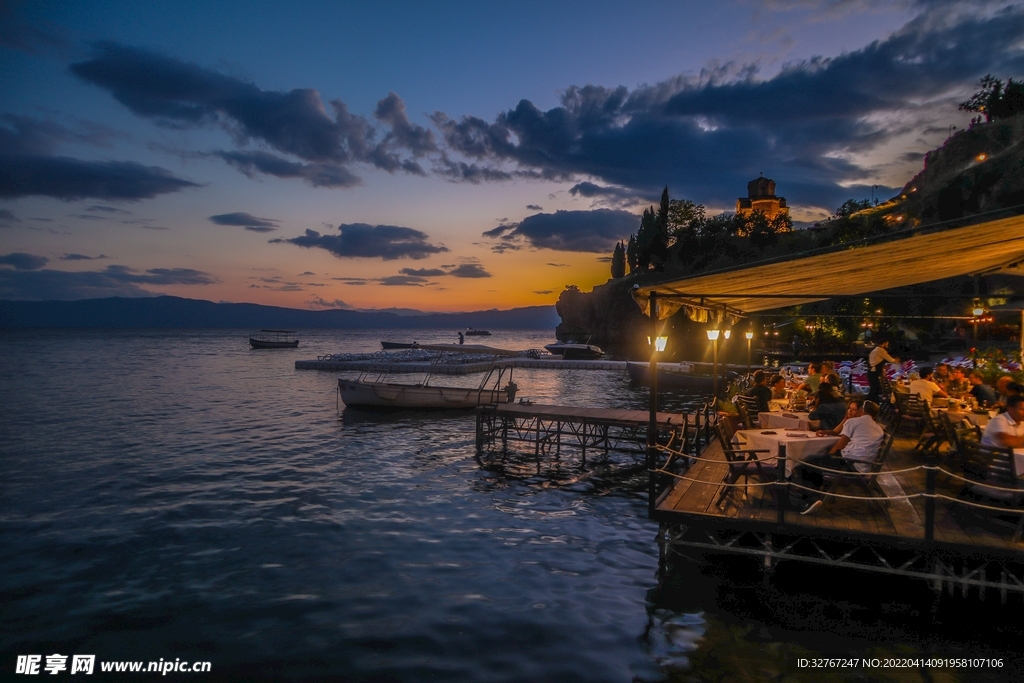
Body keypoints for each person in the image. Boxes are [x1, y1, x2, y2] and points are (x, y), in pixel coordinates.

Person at [796, 399, 886, 514]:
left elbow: (840, 446)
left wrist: (829, 456)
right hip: (864, 466)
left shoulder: (854, 422)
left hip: (850, 465)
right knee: (817, 461)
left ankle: (810, 499)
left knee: (806, 464)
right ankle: (815, 495)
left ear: (861, 411)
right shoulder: (878, 428)